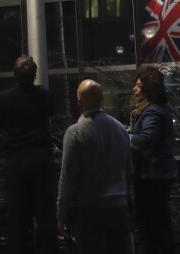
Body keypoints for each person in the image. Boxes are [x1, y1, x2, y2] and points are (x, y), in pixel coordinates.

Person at [57, 79, 134, 254]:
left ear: (79, 101)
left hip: (88, 209)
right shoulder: (119, 129)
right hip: (118, 207)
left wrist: (61, 214)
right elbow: (129, 171)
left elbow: (67, 179)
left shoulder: (75, 133)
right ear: (101, 99)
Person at [0, 55, 57, 254]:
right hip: (41, 160)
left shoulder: (3, 99)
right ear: (34, 74)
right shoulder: (44, 96)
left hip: (16, 161)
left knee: (18, 218)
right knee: (45, 216)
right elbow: (52, 115)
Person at [129, 66, 178, 254]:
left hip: (151, 175)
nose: (134, 89)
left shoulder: (152, 112)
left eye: (139, 86)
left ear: (150, 88)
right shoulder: (157, 109)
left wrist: (124, 137)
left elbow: (146, 139)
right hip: (157, 173)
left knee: (150, 224)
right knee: (160, 223)